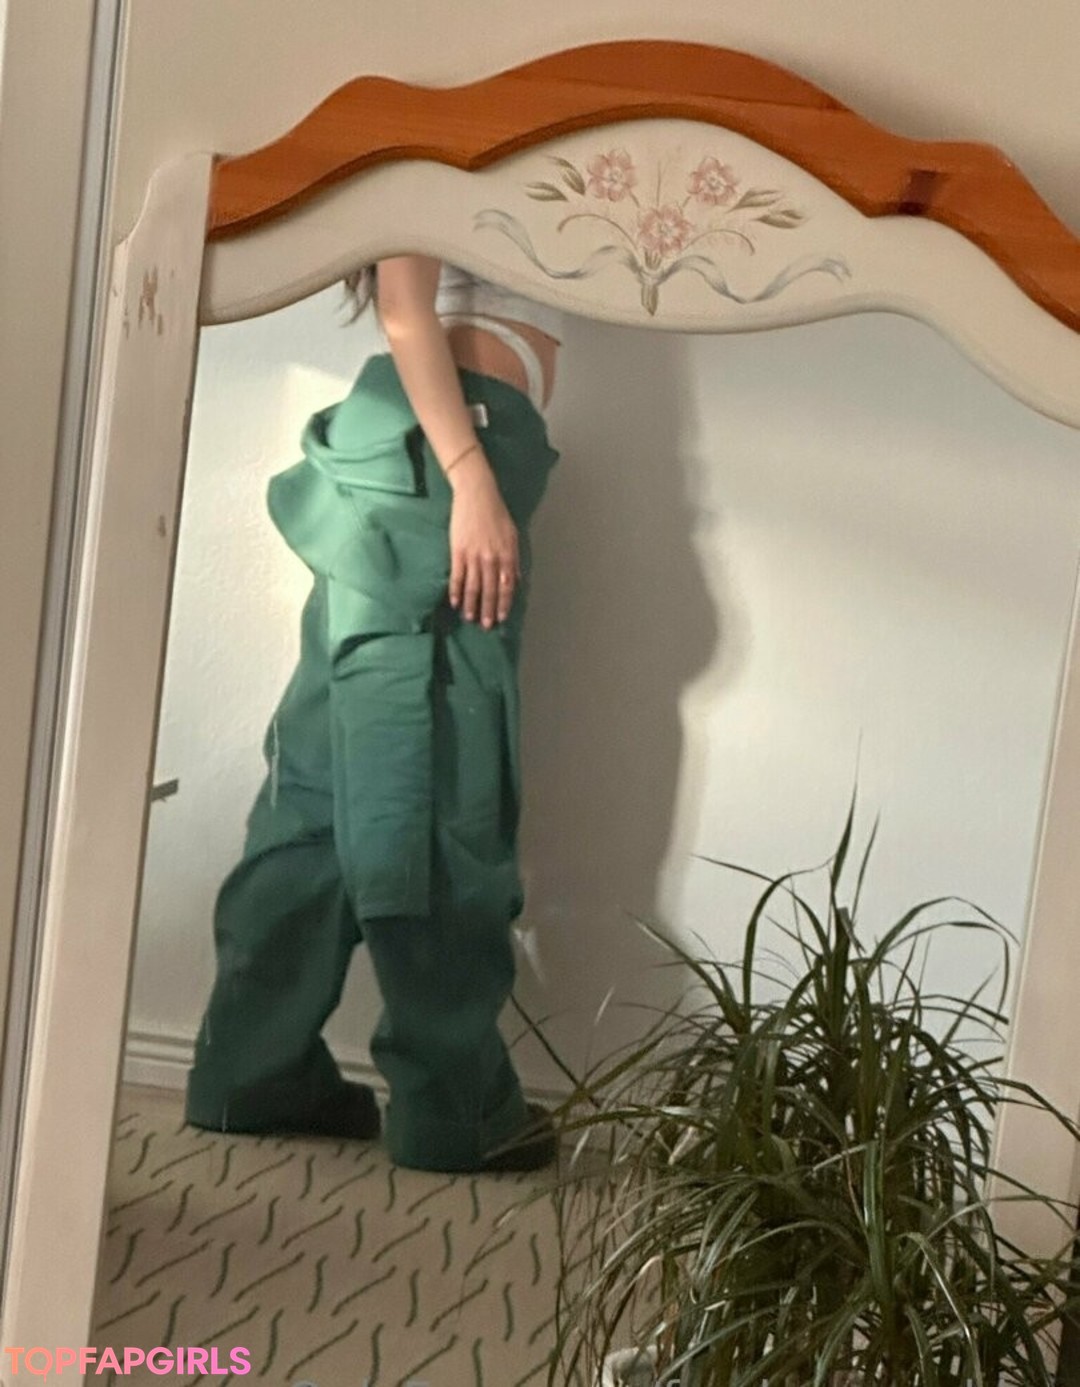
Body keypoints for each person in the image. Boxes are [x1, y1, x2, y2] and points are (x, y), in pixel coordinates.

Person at [184, 255, 563, 1173]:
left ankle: (250, 1067)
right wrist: (473, 480)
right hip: (444, 459)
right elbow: (403, 304)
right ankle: (455, 1107)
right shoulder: (459, 145)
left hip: (402, 459)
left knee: (321, 786)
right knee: (439, 789)